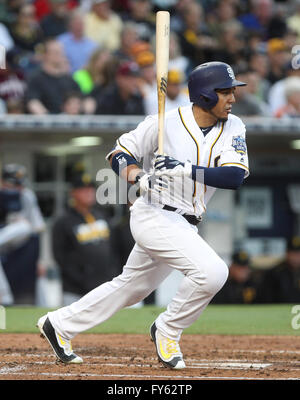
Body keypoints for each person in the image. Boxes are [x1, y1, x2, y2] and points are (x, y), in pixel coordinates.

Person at [37, 61, 249, 368]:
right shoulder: (163, 122)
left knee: (130, 288)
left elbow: (234, 177)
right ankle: (167, 329)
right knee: (213, 272)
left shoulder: (234, 126)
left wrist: (183, 168)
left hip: (186, 222)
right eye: (225, 91)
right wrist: (140, 177)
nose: (232, 98)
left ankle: (58, 324)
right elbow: (118, 155)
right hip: (155, 214)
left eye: (233, 91)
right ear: (204, 95)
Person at [51, 171, 121, 306]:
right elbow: (60, 257)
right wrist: (83, 279)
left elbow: (114, 249)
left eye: (91, 189)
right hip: (75, 291)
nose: (89, 193)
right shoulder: (63, 221)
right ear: (73, 193)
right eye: (83, 190)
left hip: (105, 287)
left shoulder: (102, 216)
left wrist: (113, 275)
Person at [1, 164, 46, 304]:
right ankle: (5, 297)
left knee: (24, 226)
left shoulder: (27, 195)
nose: (18, 188)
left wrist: (40, 260)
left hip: (19, 241)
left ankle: (45, 309)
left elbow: (37, 227)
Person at [25, 39, 80, 114]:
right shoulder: (36, 78)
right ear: (45, 55)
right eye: (55, 52)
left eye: (61, 52)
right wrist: (48, 119)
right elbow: (33, 102)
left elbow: (80, 99)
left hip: (68, 121)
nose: (60, 55)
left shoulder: (69, 80)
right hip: (46, 122)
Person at [258, 236, 300, 303]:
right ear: (287, 254)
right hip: (279, 311)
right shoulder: (274, 273)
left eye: (298, 254)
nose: (296, 258)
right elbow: (266, 299)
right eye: (293, 254)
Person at [57, 8, 98, 74]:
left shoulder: (92, 45)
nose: (80, 27)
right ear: (70, 24)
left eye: (81, 24)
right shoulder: (60, 42)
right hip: (65, 77)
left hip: (86, 78)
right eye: (77, 23)